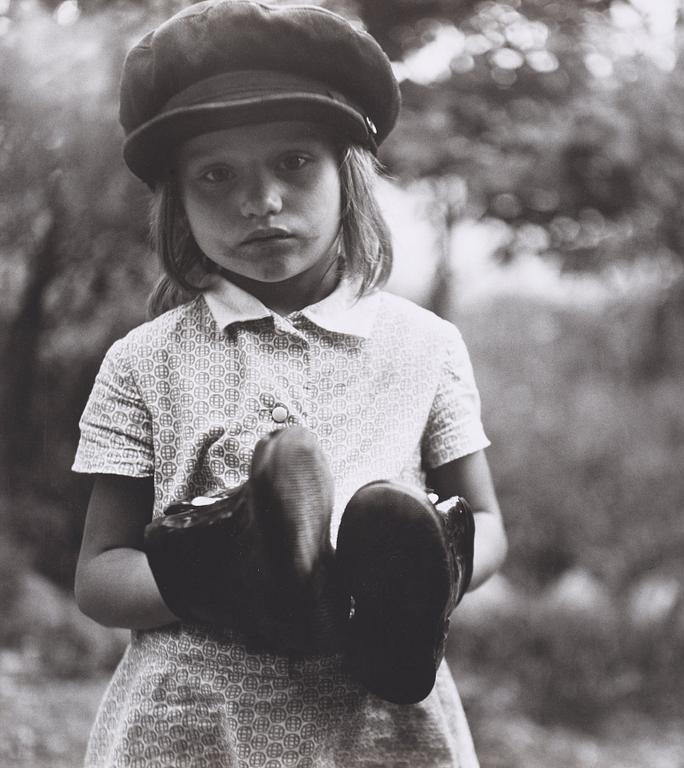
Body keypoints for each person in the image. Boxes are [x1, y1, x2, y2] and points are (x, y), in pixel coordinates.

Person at [73, 1, 508, 765]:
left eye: (295, 162)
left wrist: (431, 568)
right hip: (195, 730)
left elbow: (487, 518)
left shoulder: (425, 345)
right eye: (217, 174)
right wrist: (222, 582)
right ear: (177, 197)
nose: (261, 200)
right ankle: (236, 544)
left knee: (394, 518)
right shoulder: (142, 362)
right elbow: (100, 575)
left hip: (381, 725)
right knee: (238, 544)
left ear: (347, 172)